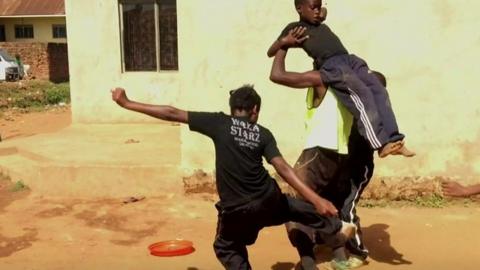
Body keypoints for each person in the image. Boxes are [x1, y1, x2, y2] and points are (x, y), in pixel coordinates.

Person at [110, 85, 356, 270]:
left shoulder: (218, 123)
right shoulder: (263, 133)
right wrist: (317, 200)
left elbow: (171, 113)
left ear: (232, 109)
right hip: (267, 198)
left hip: (236, 209)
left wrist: (127, 103)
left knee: (226, 246)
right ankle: (337, 227)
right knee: (292, 206)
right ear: (255, 111)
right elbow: (283, 169)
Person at [270, 30, 384, 269]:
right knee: (324, 200)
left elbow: (276, 75)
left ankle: (312, 259)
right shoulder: (345, 84)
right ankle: (339, 254)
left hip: (319, 150)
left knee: (292, 205)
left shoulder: (323, 80)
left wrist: (284, 45)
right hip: (338, 154)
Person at [267, 0, 414, 158]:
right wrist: (284, 42)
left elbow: (322, 11)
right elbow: (270, 52)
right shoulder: (295, 28)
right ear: (299, 9)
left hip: (349, 59)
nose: (317, 11)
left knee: (378, 89)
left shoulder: (319, 20)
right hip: (332, 65)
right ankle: (380, 144)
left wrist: (321, 12)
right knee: (362, 94)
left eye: (318, 6)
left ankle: (394, 139)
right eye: (313, 8)